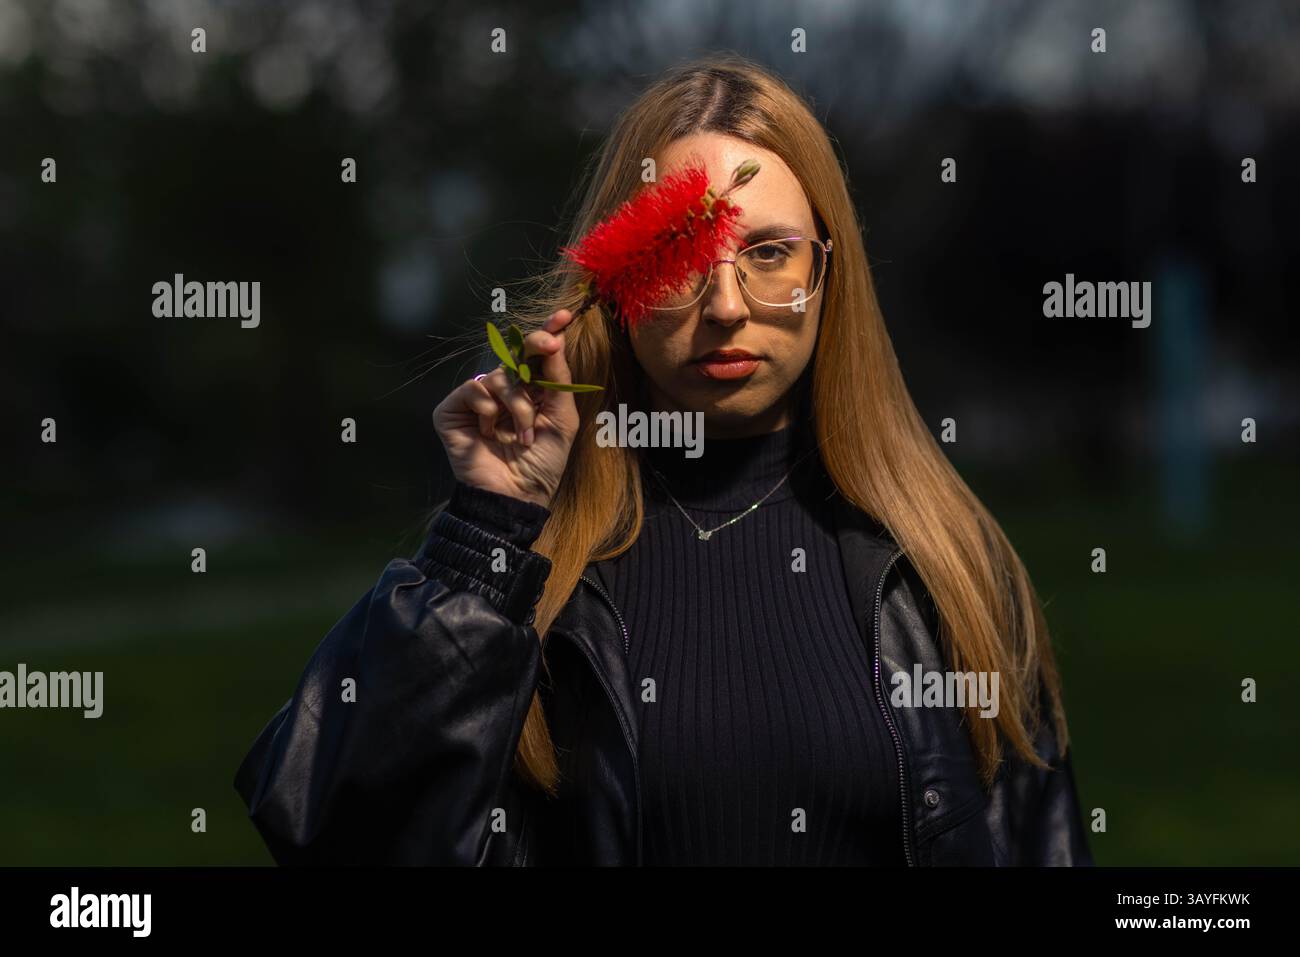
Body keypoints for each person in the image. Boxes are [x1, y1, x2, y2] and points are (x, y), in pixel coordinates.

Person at [234, 53, 1092, 867]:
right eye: (679, 256)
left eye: (768, 251)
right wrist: (484, 539)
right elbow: (339, 834)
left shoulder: (945, 564)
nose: (724, 305)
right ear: (615, 284)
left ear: (828, 272)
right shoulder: (530, 567)